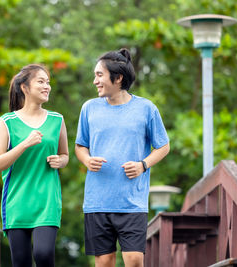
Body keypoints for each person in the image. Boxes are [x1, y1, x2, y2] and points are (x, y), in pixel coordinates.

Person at [75, 48, 170, 267]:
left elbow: (163, 146)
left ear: (118, 78)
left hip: (132, 201)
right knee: (105, 261)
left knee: (135, 260)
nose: (94, 81)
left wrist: (143, 165)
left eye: (99, 75)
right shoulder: (89, 108)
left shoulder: (146, 109)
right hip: (97, 201)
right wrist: (87, 160)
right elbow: (80, 146)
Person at [0, 64, 69, 267]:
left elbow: (65, 155)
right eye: (41, 82)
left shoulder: (57, 120)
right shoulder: (7, 122)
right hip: (17, 202)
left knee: (43, 254)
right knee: (21, 262)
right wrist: (25, 144)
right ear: (25, 87)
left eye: (48, 82)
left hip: (47, 201)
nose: (47, 87)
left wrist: (60, 161)